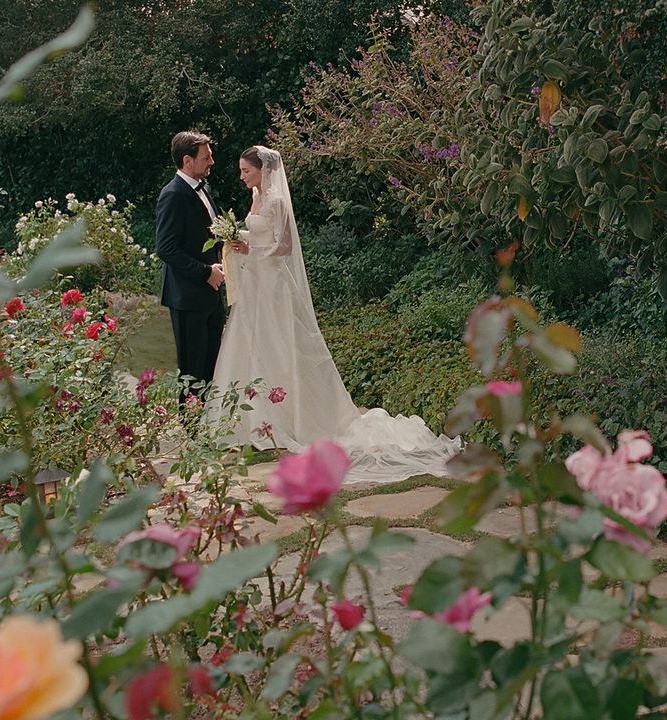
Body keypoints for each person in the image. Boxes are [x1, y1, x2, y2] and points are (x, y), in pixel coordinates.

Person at [207, 145, 461, 483]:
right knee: (255, 345)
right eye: (241, 171)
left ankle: (293, 415)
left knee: (283, 345)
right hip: (257, 285)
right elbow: (257, 235)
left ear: (263, 170)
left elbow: (283, 246)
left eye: (246, 171)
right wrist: (237, 240)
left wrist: (252, 251)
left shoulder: (278, 202)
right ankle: (254, 420)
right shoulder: (255, 198)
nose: (242, 177)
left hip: (274, 284)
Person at [156, 131, 226, 401]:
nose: (212, 161)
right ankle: (190, 430)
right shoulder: (172, 195)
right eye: (206, 157)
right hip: (187, 296)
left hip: (211, 294)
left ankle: (207, 423)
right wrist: (206, 272)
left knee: (211, 364)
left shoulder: (203, 189)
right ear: (188, 160)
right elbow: (166, 248)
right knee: (191, 370)